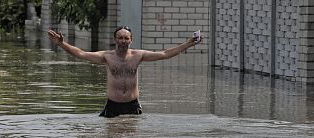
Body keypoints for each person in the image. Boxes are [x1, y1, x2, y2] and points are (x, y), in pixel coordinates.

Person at [47, 26, 202, 118]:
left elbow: (165, 54)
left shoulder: (138, 55)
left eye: (126, 38)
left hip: (132, 106)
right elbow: (80, 53)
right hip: (112, 106)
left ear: (131, 40)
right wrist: (61, 44)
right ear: (115, 40)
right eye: (120, 38)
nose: (123, 41)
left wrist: (188, 44)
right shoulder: (106, 56)